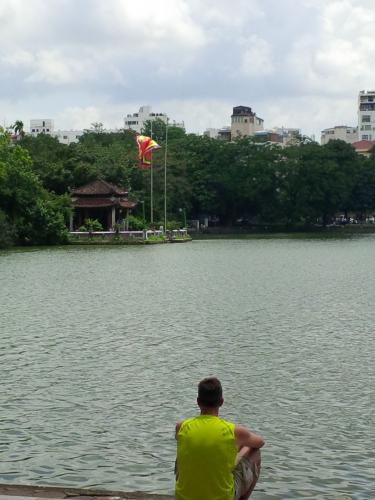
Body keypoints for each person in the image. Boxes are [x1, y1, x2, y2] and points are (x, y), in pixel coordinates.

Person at [175, 377, 265, 500]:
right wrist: (239, 449)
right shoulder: (234, 431)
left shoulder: (181, 427)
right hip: (222, 497)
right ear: (221, 401)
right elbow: (260, 442)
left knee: (187, 449)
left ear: (198, 401)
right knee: (255, 452)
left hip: (184, 497)